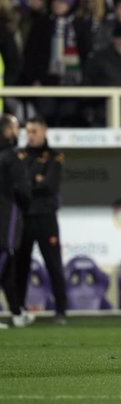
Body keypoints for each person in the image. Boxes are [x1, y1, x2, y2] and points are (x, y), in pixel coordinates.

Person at [15, 117, 67, 325]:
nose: (30, 135)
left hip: (46, 219)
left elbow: (49, 186)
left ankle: (61, 312)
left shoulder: (55, 157)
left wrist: (29, 183)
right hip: (23, 219)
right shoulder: (18, 156)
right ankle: (18, 311)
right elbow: (16, 186)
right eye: (27, 132)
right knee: (21, 267)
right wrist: (35, 180)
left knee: (53, 265)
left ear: (44, 132)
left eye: (34, 131)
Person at [0, 114, 34, 328]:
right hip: (6, 213)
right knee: (4, 257)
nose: (18, 131)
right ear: (7, 131)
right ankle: (17, 311)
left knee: (7, 267)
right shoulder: (12, 156)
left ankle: (16, 311)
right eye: (15, 127)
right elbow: (23, 190)